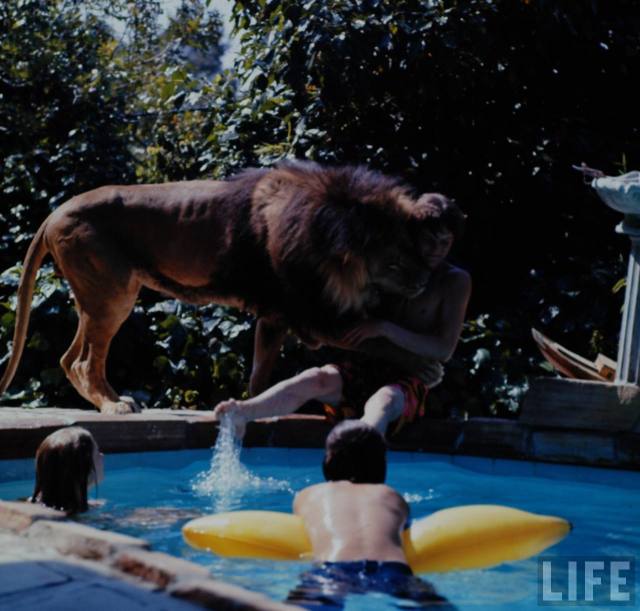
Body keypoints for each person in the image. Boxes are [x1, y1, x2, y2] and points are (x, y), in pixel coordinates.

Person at [212, 193, 471, 438]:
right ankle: (243, 412)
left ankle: (363, 445)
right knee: (314, 378)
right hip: (362, 366)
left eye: (444, 243)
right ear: (413, 236)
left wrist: (384, 328)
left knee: (384, 400)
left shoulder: (454, 281)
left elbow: (443, 350)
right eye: (429, 241)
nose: (436, 250)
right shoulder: (380, 265)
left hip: (407, 381)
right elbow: (337, 325)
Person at [286, 420, 452, 609]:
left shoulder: (310, 495)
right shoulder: (392, 496)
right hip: (393, 570)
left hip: (334, 570)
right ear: (381, 464)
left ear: (328, 461)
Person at [31, 426, 104, 514]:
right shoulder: (68, 517)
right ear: (81, 471)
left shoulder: (36, 505)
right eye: (97, 452)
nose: (102, 456)